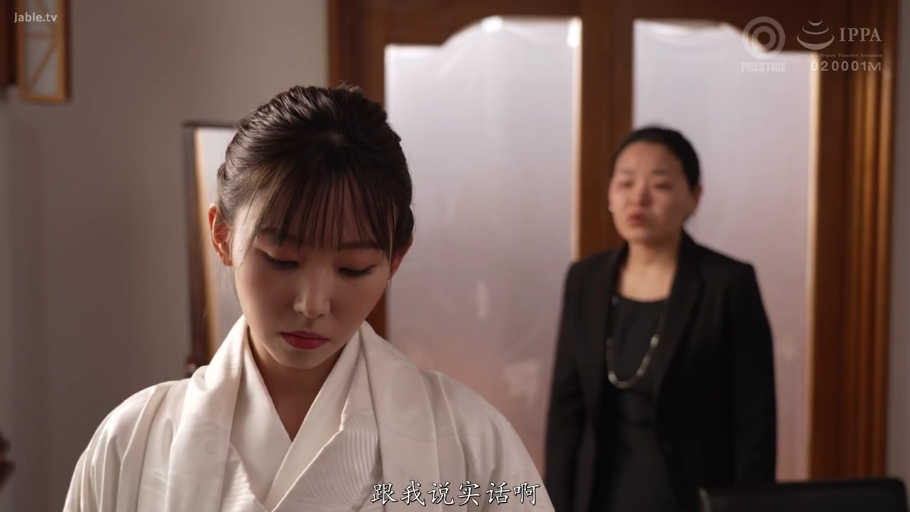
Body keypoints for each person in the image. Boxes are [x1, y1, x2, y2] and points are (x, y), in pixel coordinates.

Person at [64, 85, 553, 512]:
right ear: (221, 234)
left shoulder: (470, 440)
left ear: (395, 259)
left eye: (353, 269)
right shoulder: (132, 442)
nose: (313, 304)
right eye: (281, 260)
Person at [544, 126, 776, 512]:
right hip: (598, 494)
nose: (639, 197)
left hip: (693, 497)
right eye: (626, 182)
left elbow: (755, 421)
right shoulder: (586, 279)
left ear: (694, 197)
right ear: (610, 194)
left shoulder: (728, 284)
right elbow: (566, 412)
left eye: (661, 185)